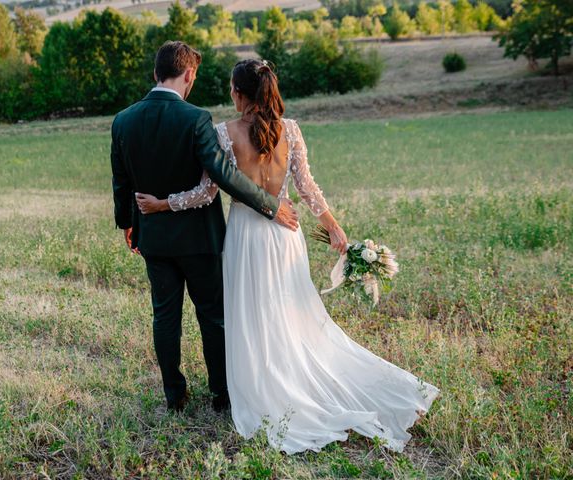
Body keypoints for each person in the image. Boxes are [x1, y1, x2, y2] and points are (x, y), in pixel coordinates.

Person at [135, 58, 439, 454]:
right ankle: (295, 376)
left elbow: (206, 194)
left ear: (240, 94)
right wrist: (332, 224)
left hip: (245, 236)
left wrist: (163, 204)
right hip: (286, 234)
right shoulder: (291, 130)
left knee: (252, 315)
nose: (230, 94)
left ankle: (266, 384)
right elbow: (307, 187)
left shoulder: (222, 133)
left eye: (232, 88)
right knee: (289, 314)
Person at [110, 42, 299, 414]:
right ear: (189, 75)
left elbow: (121, 181)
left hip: (154, 237)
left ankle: (175, 396)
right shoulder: (196, 118)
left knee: (165, 316)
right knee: (213, 315)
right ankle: (222, 394)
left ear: (155, 73)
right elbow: (223, 176)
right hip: (200, 239)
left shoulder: (123, 120)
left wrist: (128, 225)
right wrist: (271, 205)